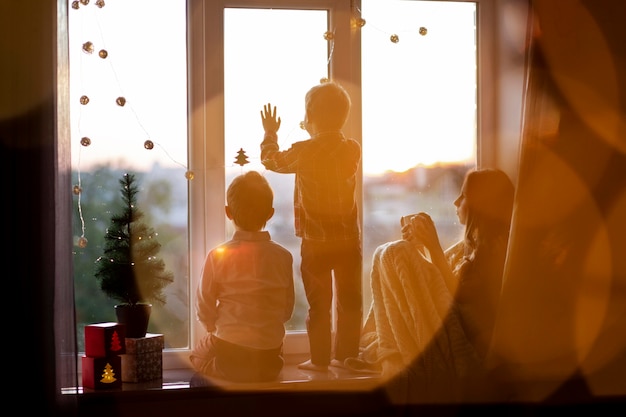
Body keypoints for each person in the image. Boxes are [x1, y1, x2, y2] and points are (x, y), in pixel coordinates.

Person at [346, 168, 515, 400]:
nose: (456, 201)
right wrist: (421, 248)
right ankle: (390, 337)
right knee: (394, 252)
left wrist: (432, 247)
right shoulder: (468, 248)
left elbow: (463, 306)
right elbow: (440, 286)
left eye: (464, 196)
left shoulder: (499, 248)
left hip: (468, 348)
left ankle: (395, 342)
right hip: (446, 330)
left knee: (395, 252)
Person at [259, 81, 362, 372]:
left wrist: (270, 134)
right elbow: (328, 145)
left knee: (319, 306)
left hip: (316, 243)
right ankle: (346, 356)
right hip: (347, 241)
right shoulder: (351, 150)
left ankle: (319, 361)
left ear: (311, 116)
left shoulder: (303, 152)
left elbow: (271, 160)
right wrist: (315, 130)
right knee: (350, 302)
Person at [189, 171, 295, 383]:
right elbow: (287, 309)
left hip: (230, 350)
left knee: (195, 357)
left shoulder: (218, 256)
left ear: (228, 212)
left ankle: (221, 368)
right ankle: (260, 370)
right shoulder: (283, 256)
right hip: (269, 357)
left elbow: (204, 303)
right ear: (270, 213)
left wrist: (212, 327)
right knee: (268, 357)